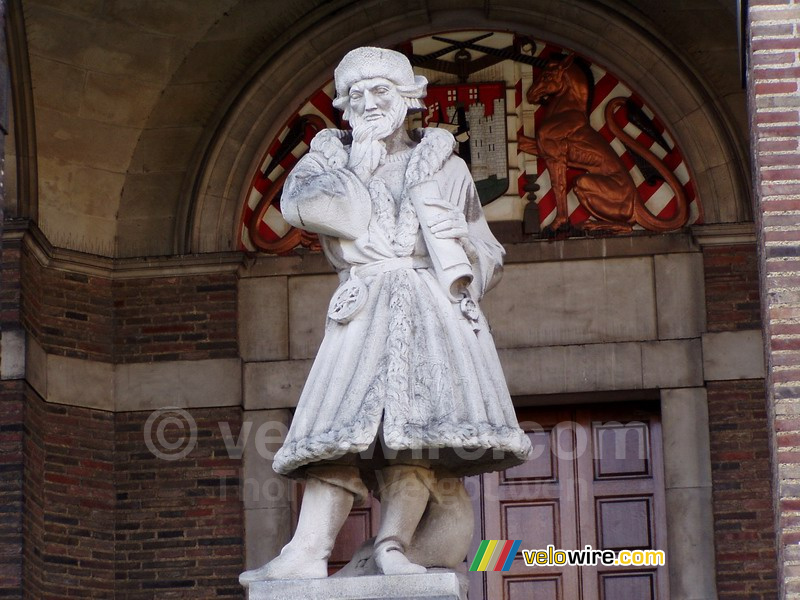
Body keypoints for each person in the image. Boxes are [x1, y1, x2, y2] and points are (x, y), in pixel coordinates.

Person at [239, 46, 531, 585]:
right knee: (336, 429)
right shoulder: (325, 163)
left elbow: (487, 248)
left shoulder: (448, 167)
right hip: (365, 303)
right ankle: (307, 549)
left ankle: (394, 544)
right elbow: (323, 211)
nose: (370, 103)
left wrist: (459, 254)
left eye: (382, 92)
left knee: (417, 431)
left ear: (409, 100)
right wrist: (361, 163)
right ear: (345, 108)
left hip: (431, 308)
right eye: (357, 96)